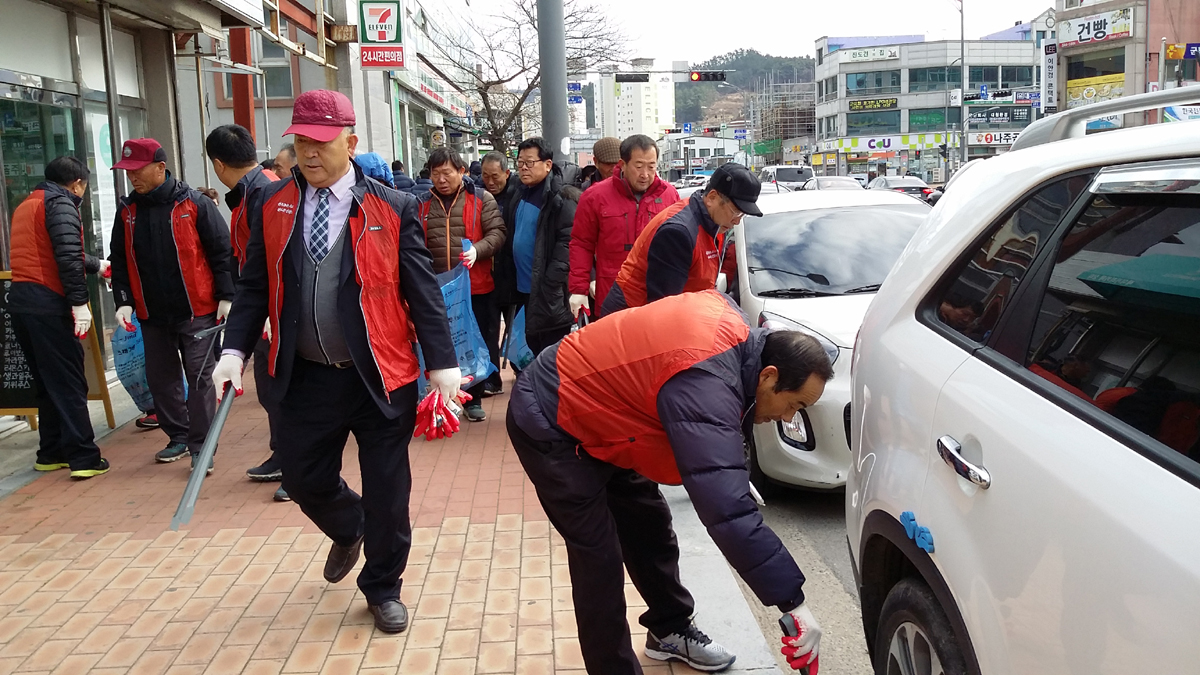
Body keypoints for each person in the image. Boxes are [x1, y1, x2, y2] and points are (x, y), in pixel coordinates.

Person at [211, 89, 461, 635]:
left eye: (321, 142)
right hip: (305, 375)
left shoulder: (392, 207)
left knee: (388, 491)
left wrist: (442, 362)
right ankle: (350, 527)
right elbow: (253, 286)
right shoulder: (271, 203)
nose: (309, 152)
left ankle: (383, 587)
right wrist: (233, 350)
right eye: (301, 141)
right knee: (302, 476)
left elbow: (421, 290)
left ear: (349, 143)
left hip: (380, 376)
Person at [507, 290, 831, 674]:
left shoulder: (736, 341)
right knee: (599, 560)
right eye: (793, 405)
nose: (787, 417)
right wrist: (793, 603)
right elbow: (728, 512)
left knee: (649, 525)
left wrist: (729, 468)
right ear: (770, 375)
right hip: (552, 415)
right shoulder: (706, 376)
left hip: (612, 414)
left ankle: (669, 629)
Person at [108, 138, 233, 473]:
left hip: (198, 310)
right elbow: (119, 260)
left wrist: (226, 295)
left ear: (160, 167)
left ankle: (202, 447)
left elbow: (222, 252)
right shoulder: (127, 212)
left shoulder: (194, 204)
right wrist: (123, 301)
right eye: (127, 171)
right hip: (151, 313)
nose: (132, 177)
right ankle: (178, 435)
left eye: (137, 170)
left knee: (200, 378)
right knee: (161, 380)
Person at [8, 156, 111, 479]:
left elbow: (55, 250)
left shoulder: (28, 203)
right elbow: (67, 257)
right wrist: (79, 303)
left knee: (47, 383)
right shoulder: (61, 203)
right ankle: (84, 457)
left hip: (21, 303)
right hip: (48, 304)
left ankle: (51, 452)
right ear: (77, 183)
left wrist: (98, 265)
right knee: (69, 382)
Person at [205, 124, 289, 502]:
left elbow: (271, 256)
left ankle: (296, 465)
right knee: (270, 388)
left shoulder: (263, 193)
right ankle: (283, 455)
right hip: (261, 305)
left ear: (218, 164)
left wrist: (269, 311)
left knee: (280, 389)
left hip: (274, 308)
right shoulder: (253, 189)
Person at [414, 148, 506, 421]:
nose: (441, 180)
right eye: (436, 174)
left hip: (475, 287)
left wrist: (478, 250)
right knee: (438, 344)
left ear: (462, 172)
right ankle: (440, 402)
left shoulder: (481, 199)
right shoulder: (420, 204)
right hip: (435, 290)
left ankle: (473, 398)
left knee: (475, 343)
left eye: (447, 173)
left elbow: (498, 233)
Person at [600, 162, 761, 317]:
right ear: (712, 197)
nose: (737, 221)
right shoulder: (678, 233)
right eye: (736, 212)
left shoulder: (716, 220)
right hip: (631, 316)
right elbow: (664, 308)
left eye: (742, 215)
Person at [570, 135, 680, 317]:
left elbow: (679, 245)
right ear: (622, 164)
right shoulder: (595, 196)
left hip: (657, 293)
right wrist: (579, 289)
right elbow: (581, 243)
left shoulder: (669, 195)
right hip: (613, 293)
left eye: (651, 166)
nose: (645, 174)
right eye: (639, 166)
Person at [502, 137, 579, 355]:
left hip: (549, 292)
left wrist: (550, 283)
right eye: (520, 163)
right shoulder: (518, 192)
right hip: (524, 288)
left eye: (529, 162)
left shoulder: (561, 197)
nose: (523, 168)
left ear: (547, 164)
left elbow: (568, 244)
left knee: (551, 352)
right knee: (531, 346)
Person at [480, 151, 522, 392]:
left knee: (518, 329)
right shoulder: (479, 195)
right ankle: (491, 378)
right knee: (489, 329)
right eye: (485, 176)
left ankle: (521, 371)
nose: (490, 181)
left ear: (507, 173)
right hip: (489, 274)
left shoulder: (519, 195)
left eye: (495, 176)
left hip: (515, 273)